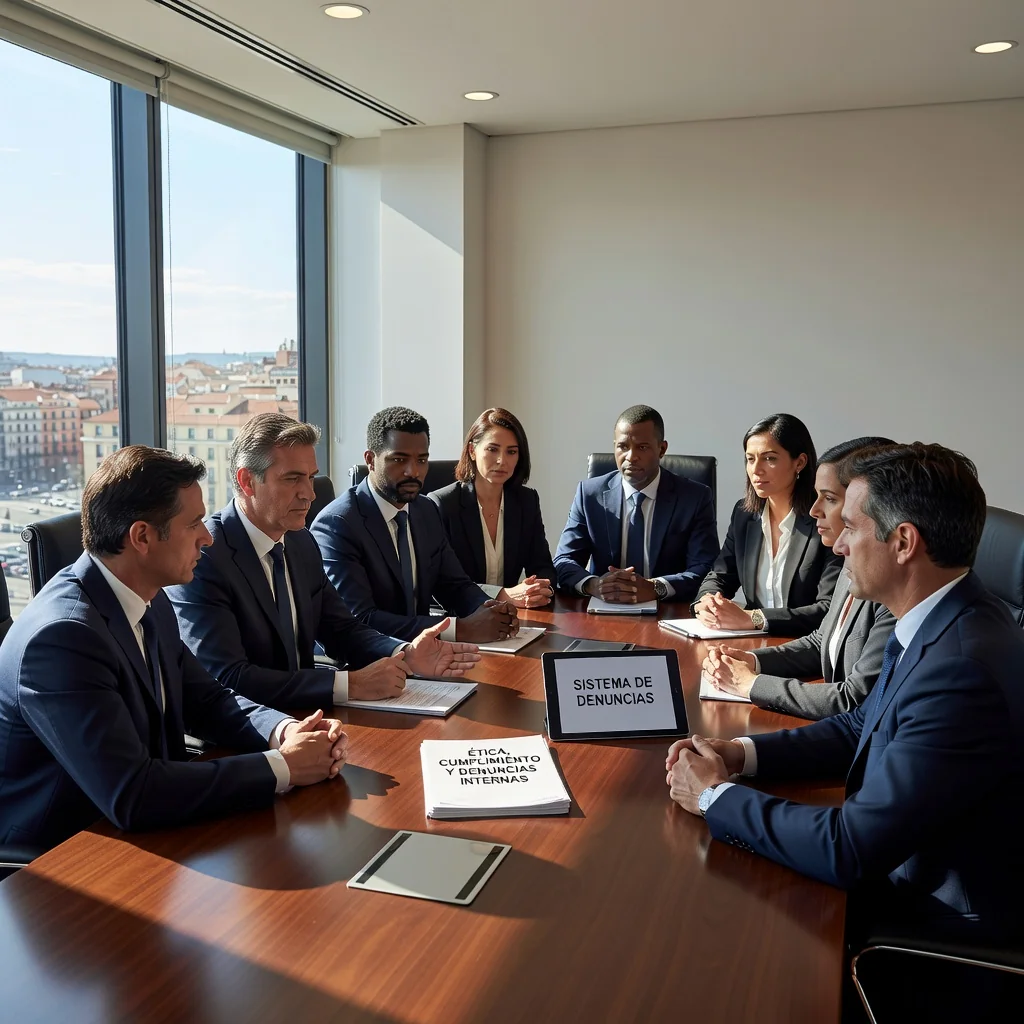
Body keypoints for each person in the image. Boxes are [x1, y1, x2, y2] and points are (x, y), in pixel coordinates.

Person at [667, 443, 1024, 948]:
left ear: (903, 542)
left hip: (929, 934)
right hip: (897, 877)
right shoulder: (943, 617)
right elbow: (863, 726)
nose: (836, 546)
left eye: (852, 528)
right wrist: (739, 755)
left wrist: (711, 796)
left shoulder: (960, 672)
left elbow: (849, 848)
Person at [0, 446, 348, 853]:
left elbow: (208, 700)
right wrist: (284, 767)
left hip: (146, 829)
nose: (208, 536)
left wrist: (284, 731)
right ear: (142, 536)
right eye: (194, 523)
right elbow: (133, 794)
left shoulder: (147, 595)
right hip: (64, 859)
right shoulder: (63, 638)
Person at [168, 413, 481, 710]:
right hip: (246, 735)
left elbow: (340, 629)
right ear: (247, 481)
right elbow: (230, 678)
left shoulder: (300, 540)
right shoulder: (207, 556)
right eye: (293, 479)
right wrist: (348, 685)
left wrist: (405, 654)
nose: (309, 494)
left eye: (311, 477)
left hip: (311, 717)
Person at [702, 436, 897, 719]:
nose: (815, 509)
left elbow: (853, 701)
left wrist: (751, 684)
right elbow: (822, 642)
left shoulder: (893, 589)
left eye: (829, 499)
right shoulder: (850, 560)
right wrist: (753, 661)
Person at [311, 407, 518, 643]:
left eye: (422, 460)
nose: (414, 471)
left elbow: (453, 585)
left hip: (425, 657)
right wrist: (459, 629)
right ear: (370, 459)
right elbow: (361, 619)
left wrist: (490, 610)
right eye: (399, 459)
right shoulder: (338, 524)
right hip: (367, 663)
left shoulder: (425, 510)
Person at [553, 405, 719, 605]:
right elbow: (563, 561)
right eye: (623, 446)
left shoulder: (694, 497)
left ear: (662, 449)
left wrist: (655, 587)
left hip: (668, 613)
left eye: (642, 447)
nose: (631, 457)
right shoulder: (589, 494)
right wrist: (593, 584)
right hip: (604, 609)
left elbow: (705, 568)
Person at [693, 412, 841, 637]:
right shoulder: (744, 514)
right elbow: (721, 574)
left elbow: (828, 608)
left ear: (799, 462)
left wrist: (754, 618)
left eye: (769, 458)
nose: (756, 469)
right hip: (752, 642)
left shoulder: (824, 519)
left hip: (807, 646)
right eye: (750, 459)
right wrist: (707, 602)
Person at [429, 408, 555, 608]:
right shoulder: (442, 504)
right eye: (492, 449)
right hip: (461, 618)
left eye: (511, 452)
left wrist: (539, 587)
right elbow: (444, 584)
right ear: (472, 451)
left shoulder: (527, 501)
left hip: (511, 617)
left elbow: (542, 565)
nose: (501, 461)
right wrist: (502, 594)